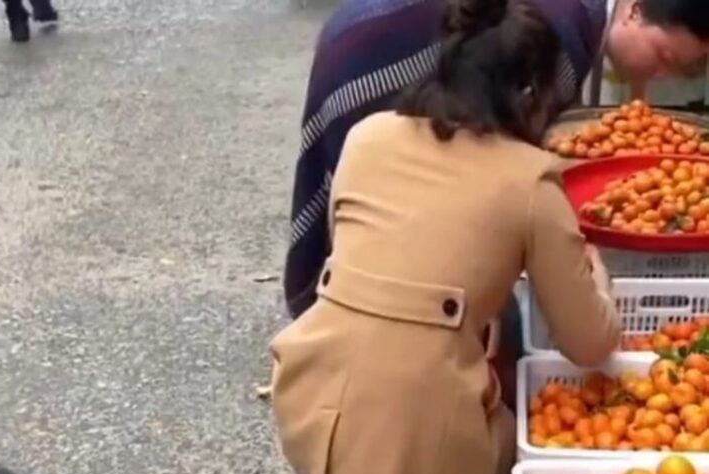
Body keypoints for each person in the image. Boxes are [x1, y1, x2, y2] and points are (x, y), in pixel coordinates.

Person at [270, 0, 622, 474]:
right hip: (429, 444)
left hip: (311, 415)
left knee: (421, 324)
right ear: (529, 92)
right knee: (505, 323)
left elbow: (360, 256)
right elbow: (590, 343)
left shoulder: (366, 136)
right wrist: (599, 277)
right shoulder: (529, 181)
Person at [285, 0, 709, 323]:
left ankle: (345, 307)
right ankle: (345, 306)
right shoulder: (563, 39)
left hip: (360, 23)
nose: (661, 75)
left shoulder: (584, 13)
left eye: (679, 70)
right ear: (634, 13)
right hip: (371, 47)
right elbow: (498, 161)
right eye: (664, 57)